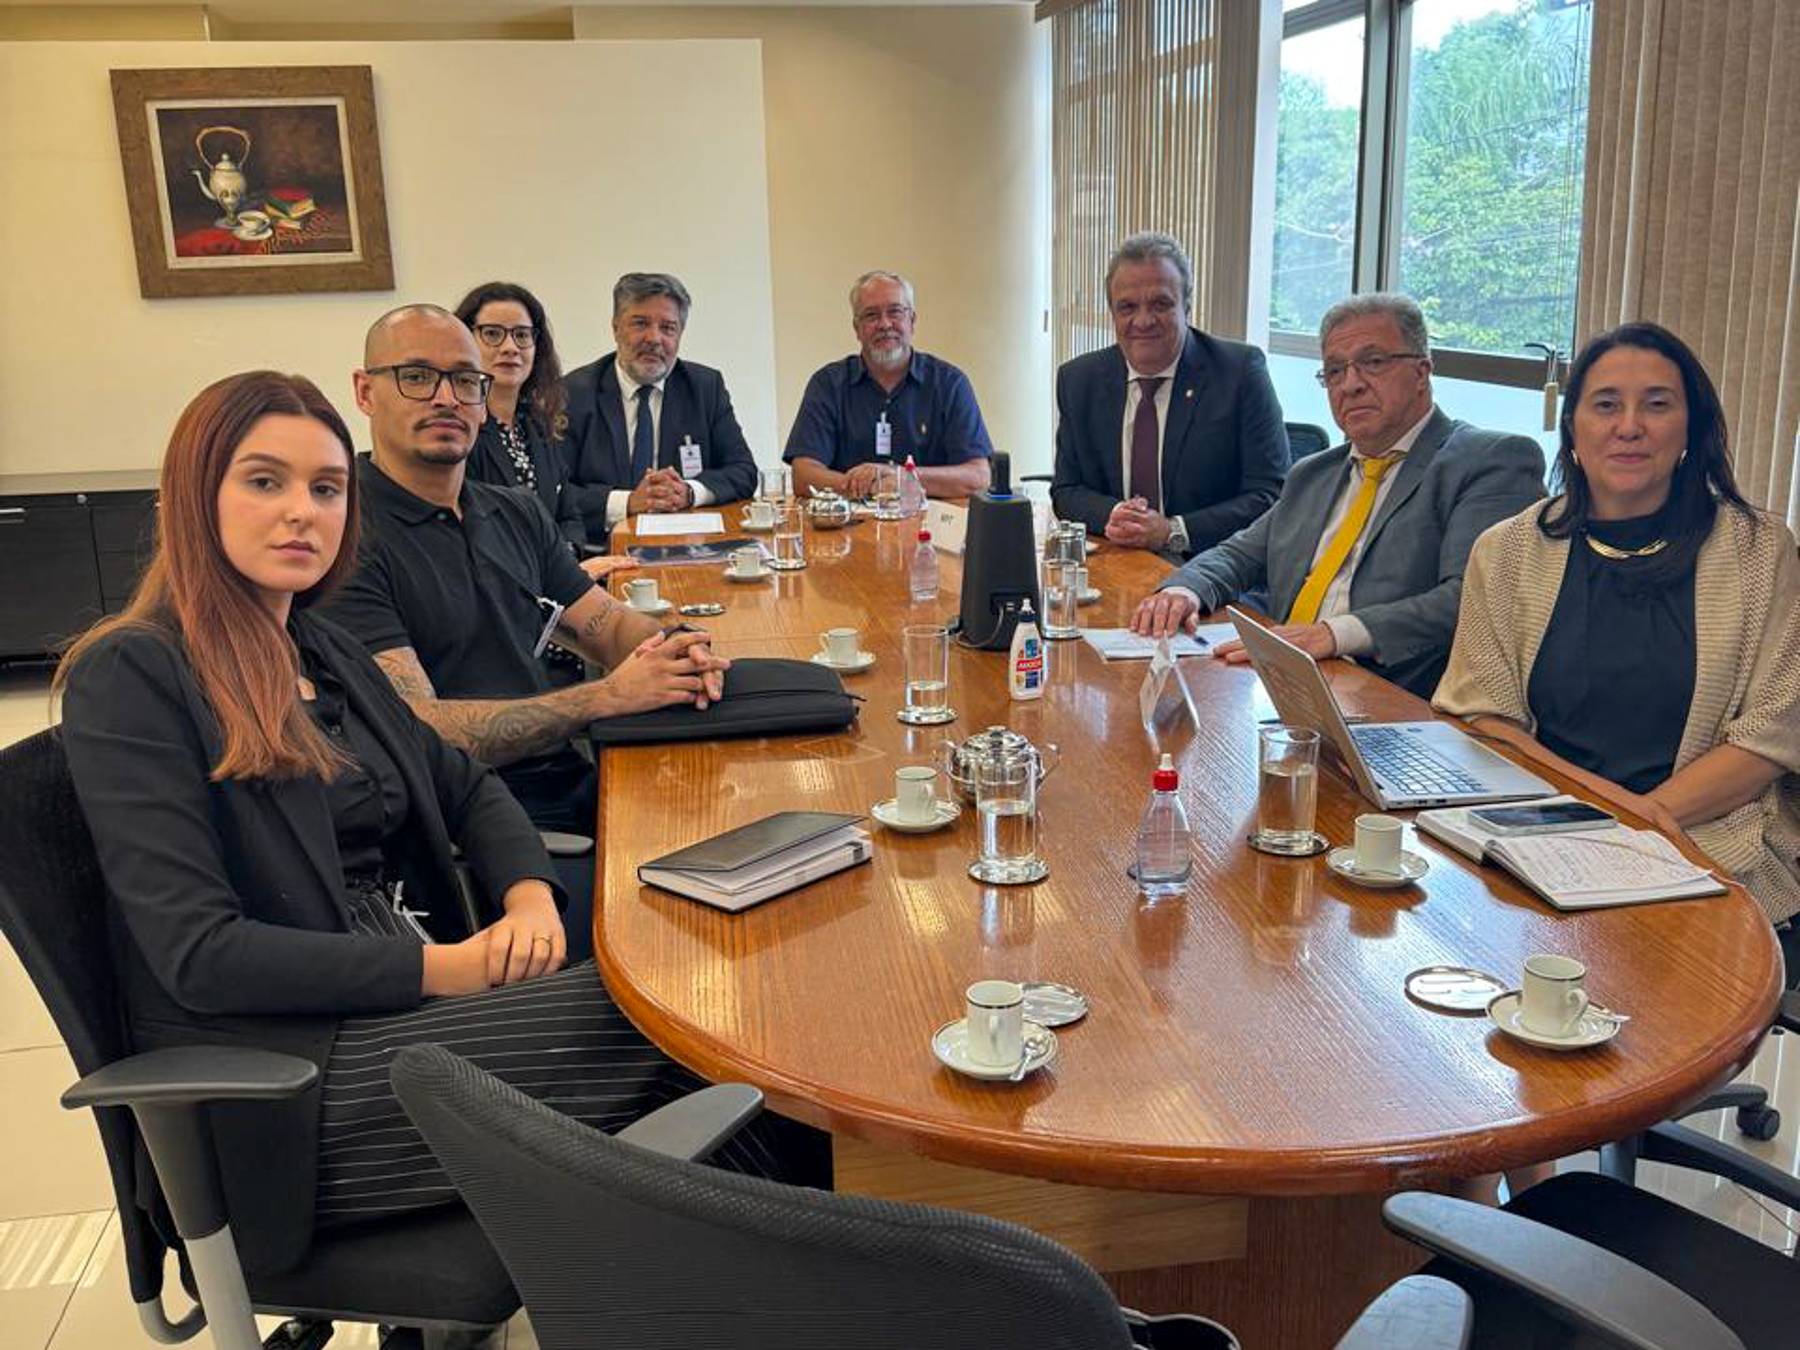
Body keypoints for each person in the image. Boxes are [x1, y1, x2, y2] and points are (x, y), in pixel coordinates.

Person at [55, 370, 805, 1279]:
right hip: (294, 1085)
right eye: (264, 482)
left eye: (326, 488)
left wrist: (528, 896)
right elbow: (200, 953)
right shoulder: (134, 674)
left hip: (402, 1008)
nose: (302, 512)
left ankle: (777, 1295)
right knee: (691, 1014)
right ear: (194, 493)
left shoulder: (317, 646)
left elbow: (461, 786)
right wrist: (448, 966)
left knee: (704, 1010)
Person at [320, 306, 730, 944]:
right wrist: (605, 697)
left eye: (464, 380)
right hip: (476, 831)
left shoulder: (512, 513)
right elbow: (421, 731)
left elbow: (606, 625)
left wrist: (676, 644)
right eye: (417, 377)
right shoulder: (345, 540)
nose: (446, 398)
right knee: (689, 936)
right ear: (365, 392)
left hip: (577, 784)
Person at [1434, 322, 1800, 951]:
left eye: (1657, 405)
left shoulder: (1761, 551)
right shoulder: (1509, 550)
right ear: (1573, 428)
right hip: (1541, 844)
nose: (1629, 425)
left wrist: (1641, 830)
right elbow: (1485, 719)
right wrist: (1607, 817)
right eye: (1606, 405)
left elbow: (1773, 735)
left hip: (1713, 849)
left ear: (1690, 429)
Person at [1130, 293, 1545, 697]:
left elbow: (1469, 600)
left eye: (1373, 362)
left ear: (1422, 373)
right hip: (1284, 685)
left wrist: (1333, 635)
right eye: (1334, 371)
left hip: (1391, 700)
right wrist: (1183, 591)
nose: (1351, 385)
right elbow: (1239, 555)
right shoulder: (1315, 472)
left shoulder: (1489, 461)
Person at [1050, 232, 1288, 557]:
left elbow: (1271, 495)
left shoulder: (1239, 372)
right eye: (1127, 307)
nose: (1143, 320)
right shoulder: (1079, 379)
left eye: (1160, 303)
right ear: (1112, 312)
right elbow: (1066, 490)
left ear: (1187, 305)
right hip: (1115, 562)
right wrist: (1117, 515)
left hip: (1211, 567)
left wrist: (1171, 531)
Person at [560, 272, 759, 541]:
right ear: (616, 327)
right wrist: (629, 502)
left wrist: (689, 492)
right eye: (640, 323)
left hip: (690, 549)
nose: (654, 338)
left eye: (668, 328)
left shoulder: (704, 387)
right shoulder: (573, 392)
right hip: (602, 551)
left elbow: (743, 471)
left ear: (680, 335)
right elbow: (555, 490)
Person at [783, 270, 993, 499]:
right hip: (846, 530)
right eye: (871, 315)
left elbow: (979, 477)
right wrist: (873, 486)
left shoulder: (950, 384)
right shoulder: (827, 385)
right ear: (857, 328)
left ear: (912, 321)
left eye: (895, 312)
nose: (885, 324)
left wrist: (900, 477)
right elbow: (803, 476)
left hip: (930, 528)